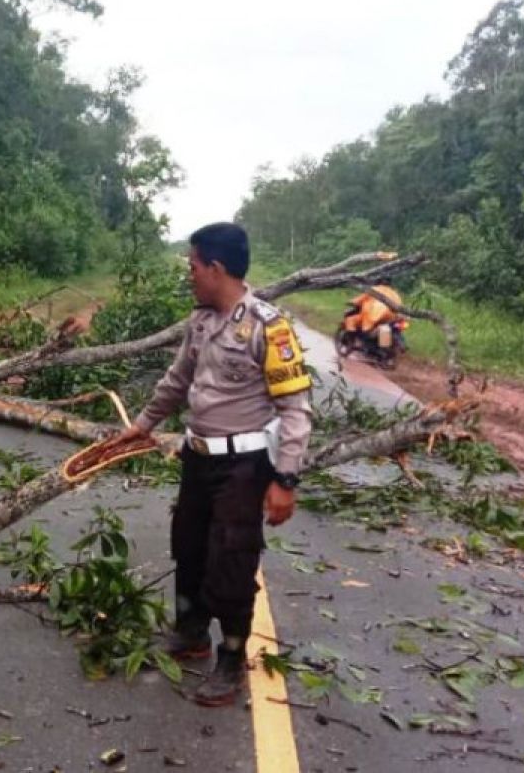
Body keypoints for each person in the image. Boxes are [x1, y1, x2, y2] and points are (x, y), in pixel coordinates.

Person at [114, 222, 313, 707]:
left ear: (216, 268)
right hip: (197, 459)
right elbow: (177, 378)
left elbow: (295, 410)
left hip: (244, 467)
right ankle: (192, 632)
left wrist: (285, 478)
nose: (190, 275)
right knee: (189, 545)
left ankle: (230, 658)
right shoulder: (201, 322)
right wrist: (141, 424)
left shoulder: (269, 327)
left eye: (193, 266)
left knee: (232, 558)